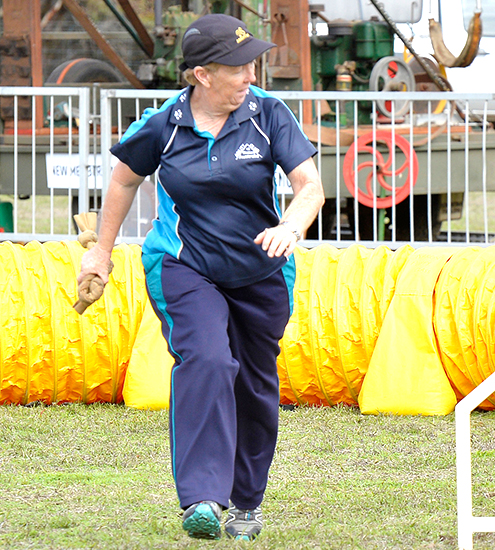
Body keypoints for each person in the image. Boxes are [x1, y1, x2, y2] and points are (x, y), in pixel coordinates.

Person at [77, 13, 324, 540]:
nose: (250, 75)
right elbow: (123, 179)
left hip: (262, 271)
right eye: (238, 67)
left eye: (252, 63)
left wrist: (290, 226)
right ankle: (202, 499)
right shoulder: (164, 124)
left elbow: (310, 186)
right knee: (208, 358)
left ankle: (246, 504)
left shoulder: (269, 115)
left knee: (255, 385)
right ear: (202, 75)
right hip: (185, 265)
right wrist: (101, 252)